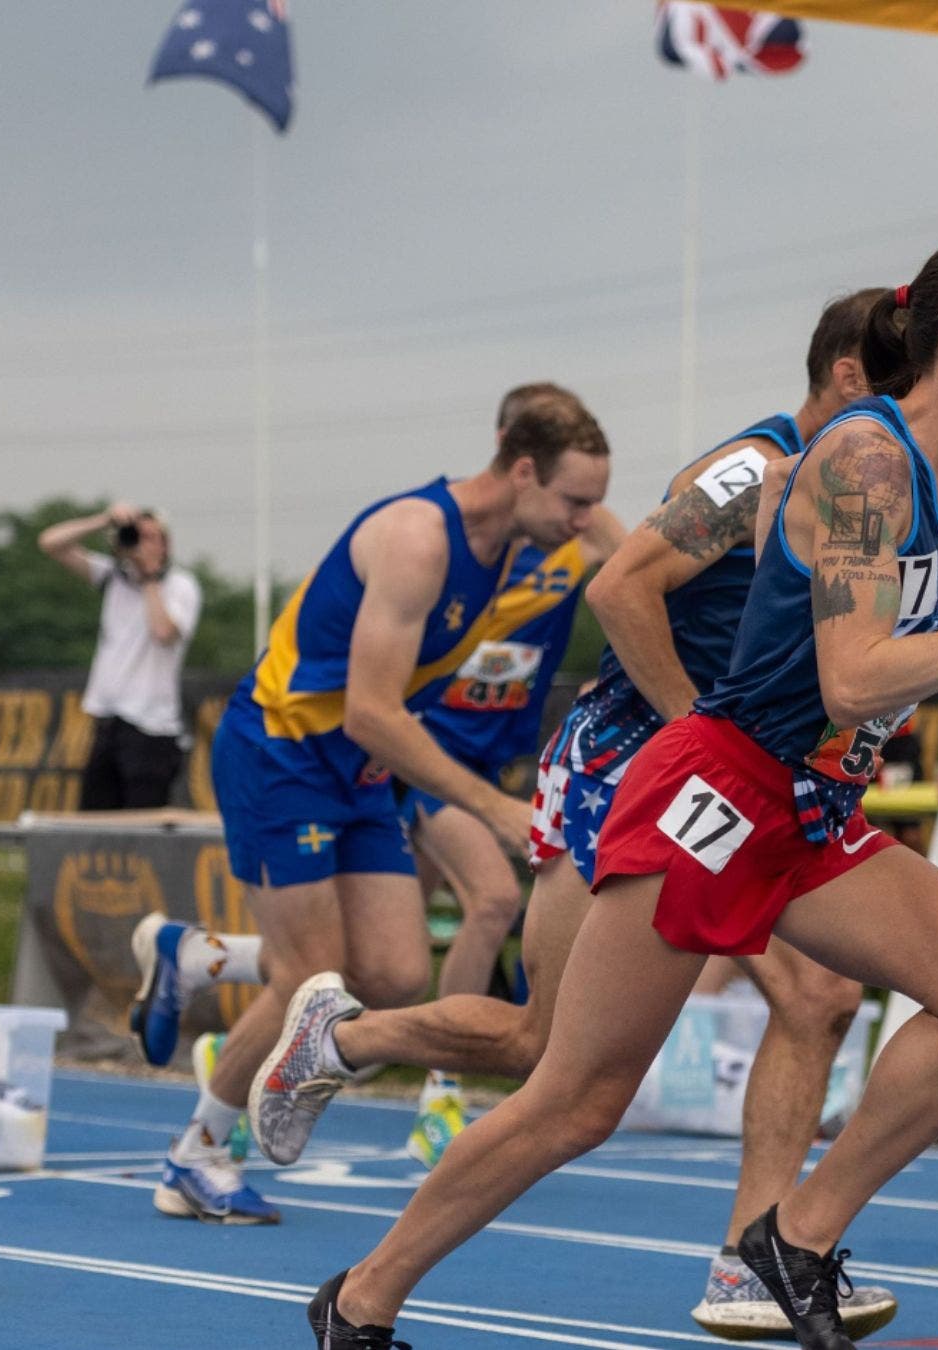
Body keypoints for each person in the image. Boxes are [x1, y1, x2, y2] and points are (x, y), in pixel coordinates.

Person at [283, 229, 938, 1350]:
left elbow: (858, 684)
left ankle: (794, 1241)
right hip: (712, 796)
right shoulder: (862, 458)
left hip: (811, 807)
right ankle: (362, 1299)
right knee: (575, 1093)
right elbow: (848, 670)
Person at [220, 293, 904, 1340]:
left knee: (814, 997)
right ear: (854, 378)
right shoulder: (754, 470)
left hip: (742, 784)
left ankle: (750, 1263)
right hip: (640, 768)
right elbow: (624, 589)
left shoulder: (887, 482)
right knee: (565, 1065)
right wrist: (696, 731)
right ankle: (352, 1057)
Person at [127, 387, 613, 1225]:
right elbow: (371, 710)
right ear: (523, 470)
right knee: (309, 978)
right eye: (574, 501)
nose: (584, 521)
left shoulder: (513, 539)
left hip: (354, 768)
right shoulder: (421, 538)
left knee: (390, 976)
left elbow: (634, 551)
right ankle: (195, 1152)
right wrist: (497, 811)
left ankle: (193, 958)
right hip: (282, 749)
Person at [391, 384, 625, 1165]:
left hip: (500, 759)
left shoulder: (578, 535)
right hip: (431, 755)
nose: (580, 514)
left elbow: (646, 577)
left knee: (380, 965)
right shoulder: (467, 544)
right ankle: (440, 1094)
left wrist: (626, 672)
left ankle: (250, 1031)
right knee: (492, 901)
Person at [37, 502, 201, 810]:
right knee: (95, 824)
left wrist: (149, 577)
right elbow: (50, 543)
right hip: (109, 721)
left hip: (152, 727)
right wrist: (104, 520)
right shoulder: (113, 577)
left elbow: (164, 633)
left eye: (150, 537)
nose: (141, 543)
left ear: (166, 544)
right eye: (136, 536)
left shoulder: (180, 586)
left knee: (142, 829)